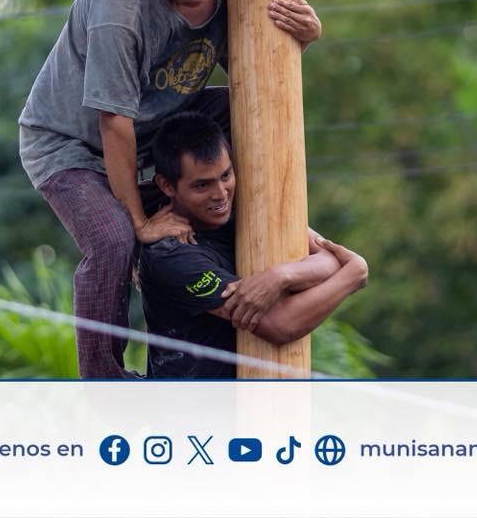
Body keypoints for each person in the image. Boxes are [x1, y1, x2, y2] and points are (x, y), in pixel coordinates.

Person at [18, 0, 323, 379]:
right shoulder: (120, 2)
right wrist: (140, 223)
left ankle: (246, 236)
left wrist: (305, 36)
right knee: (114, 240)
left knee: (252, 108)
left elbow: (256, 69)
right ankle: (105, 381)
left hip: (156, 124)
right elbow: (113, 123)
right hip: (74, 146)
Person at [138, 113, 368, 379]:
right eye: (202, 185)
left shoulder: (246, 205)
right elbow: (279, 325)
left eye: (226, 175)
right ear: (167, 186)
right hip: (192, 404)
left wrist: (280, 276)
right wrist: (354, 273)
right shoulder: (169, 254)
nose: (221, 194)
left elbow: (329, 256)